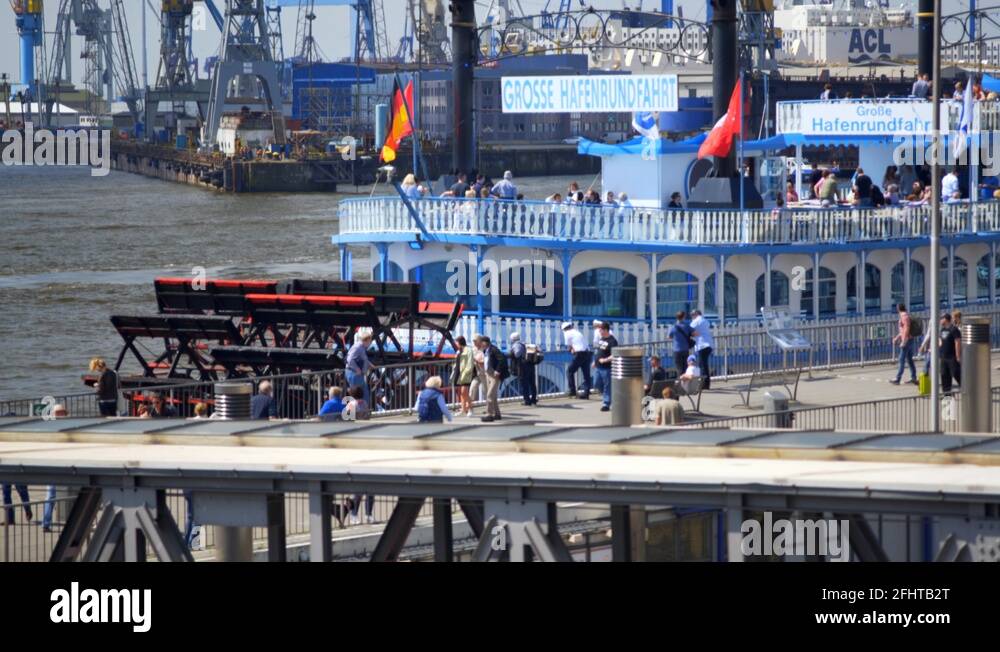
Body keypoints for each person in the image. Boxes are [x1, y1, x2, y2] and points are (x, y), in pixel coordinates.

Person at [477, 335, 508, 422]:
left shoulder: (493, 349)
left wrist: (498, 370)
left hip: (494, 375)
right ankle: (497, 414)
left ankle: (489, 414)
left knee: (490, 394)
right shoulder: (485, 350)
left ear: (485, 342)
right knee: (493, 396)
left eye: (481, 342)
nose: (480, 344)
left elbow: (502, 359)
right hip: (488, 374)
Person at [562, 321, 592, 399]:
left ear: (564, 329)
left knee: (569, 371)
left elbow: (568, 346)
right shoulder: (577, 332)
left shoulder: (567, 333)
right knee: (586, 374)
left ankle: (572, 392)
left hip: (579, 354)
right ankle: (586, 393)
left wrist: (571, 350)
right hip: (587, 353)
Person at [890, 303, 918, 385]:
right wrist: (897, 337)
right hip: (909, 340)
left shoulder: (904, 316)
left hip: (907, 341)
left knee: (901, 359)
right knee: (909, 360)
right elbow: (902, 330)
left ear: (898, 308)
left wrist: (904, 341)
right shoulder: (905, 315)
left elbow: (906, 328)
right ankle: (913, 377)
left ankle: (898, 378)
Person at [593, 322, 618, 412]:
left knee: (607, 385)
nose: (600, 332)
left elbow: (614, 355)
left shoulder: (613, 341)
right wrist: (594, 362)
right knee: (596, 383)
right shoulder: (602, 339)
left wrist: (605, 360)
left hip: (606, 367)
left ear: (606, 330)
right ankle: (609, 395)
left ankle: (606, 403)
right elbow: (599, 351)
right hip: (598, 366)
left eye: (601, 330)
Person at [346, 329, 374, 405]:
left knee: (363, 393)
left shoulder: (361, 347)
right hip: (354, 374)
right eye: (370, 341)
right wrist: (357, 369)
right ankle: (360, 411)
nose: (370, 343)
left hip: (357, 375)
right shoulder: (357, 347)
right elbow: (350, 359)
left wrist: (369, 364)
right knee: (359, 394)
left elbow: (362, 358)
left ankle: (363, 410)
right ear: (367, 340)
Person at [508, 332, 537, 406]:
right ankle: (534, 399)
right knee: (532, 383)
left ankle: (527, 400)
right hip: (530, 365)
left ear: (512, 339)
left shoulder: (516, 345)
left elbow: (517, 354)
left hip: (523, 366)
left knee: (524, 384)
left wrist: (510, 354)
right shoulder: (525, 343)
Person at [451, 335, 476, 416]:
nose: (456, 344)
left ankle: (470, 409)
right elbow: (457, 361)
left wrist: (466, 372)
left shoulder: (468, 350)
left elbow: (470, 363)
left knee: (464, 391)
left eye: (456, 342)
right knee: (461, 393)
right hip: (459, 372)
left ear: (460, 342)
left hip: (465, 373)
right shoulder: (459, 351)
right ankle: (463, 409)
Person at [689, 310, 714, 390]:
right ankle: (707, 384)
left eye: (692, 315)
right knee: (705, 365)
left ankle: (704, 385)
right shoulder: (705, 320)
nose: (692, 317)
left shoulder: (696, 321)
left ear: (696, 314)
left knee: (702, 366)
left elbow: (689, 330)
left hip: (702, 345)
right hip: (709, 344)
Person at [939, 313, 962, 394]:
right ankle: (947, 398)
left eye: (941, 318)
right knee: (944, 377)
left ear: (946, 319)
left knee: (957, 374)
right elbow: (941, 342)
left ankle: (967, 389)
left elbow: (957, 343)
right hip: (943, 358)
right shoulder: (942, 330)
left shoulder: (954, 329)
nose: (940, 320)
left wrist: (958, 356)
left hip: (952, 357)